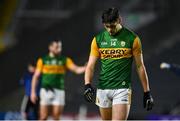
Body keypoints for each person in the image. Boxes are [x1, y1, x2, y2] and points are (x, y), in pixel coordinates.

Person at [84, 7, 154, 120]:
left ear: (119, 20)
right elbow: (90, 66)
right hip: (103, 88)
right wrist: (87, 85)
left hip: (122, 89)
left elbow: (140, 66)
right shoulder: (97, 40)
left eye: (113, 26)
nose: (110, 30)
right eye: (107, 26)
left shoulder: (133, 39)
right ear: (103, 24)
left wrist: (147, 92)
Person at [31, 40, 86, 120]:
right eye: (56, 47)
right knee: (43, 117)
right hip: (46, 91)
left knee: (56, 117)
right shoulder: (43, 60)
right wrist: (33, 92)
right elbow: (35, 76)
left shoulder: (64, 60)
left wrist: (86, 68)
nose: (59, 49)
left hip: (59, 91)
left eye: (60, 47)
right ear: (50, 47)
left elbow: (76, 69)